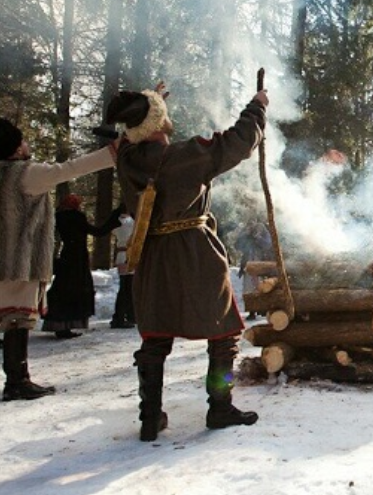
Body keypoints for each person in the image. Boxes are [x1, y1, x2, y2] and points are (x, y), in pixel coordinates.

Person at [106, 83, 268, 442]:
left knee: (155, 337)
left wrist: (153, 106)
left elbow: (131, 139)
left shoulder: (127, 160)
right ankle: (220, 407)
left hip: (151, 257)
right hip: (194, 254)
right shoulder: (185, 155)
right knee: (224, 333)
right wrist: (256, 108)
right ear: (160, 122)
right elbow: (238, 142)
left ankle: (149, 416)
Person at [0, 118, 116, 400]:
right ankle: (17, 380)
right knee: (19, 317)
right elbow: (73, 168)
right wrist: (114, 151)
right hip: (21, 259)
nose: (27, 144)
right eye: (23, 140)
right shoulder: (27, 174)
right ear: (17, 148)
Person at [42, 193, 121, 339]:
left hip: (66, 256)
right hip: (77, 259)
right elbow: (99, 232)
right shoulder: (77, 217)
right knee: (75, 290)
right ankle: (66, 326)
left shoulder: (58, 217)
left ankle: (60, 326)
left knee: (62, 289)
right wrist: (114, 217)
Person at [110, 205, 137, 329]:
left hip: (122, 255)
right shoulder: (129, 222)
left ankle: (125, 315)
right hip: (128, 255)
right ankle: (122, 316)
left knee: (126, 286)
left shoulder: (117, 222)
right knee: (127, 287)